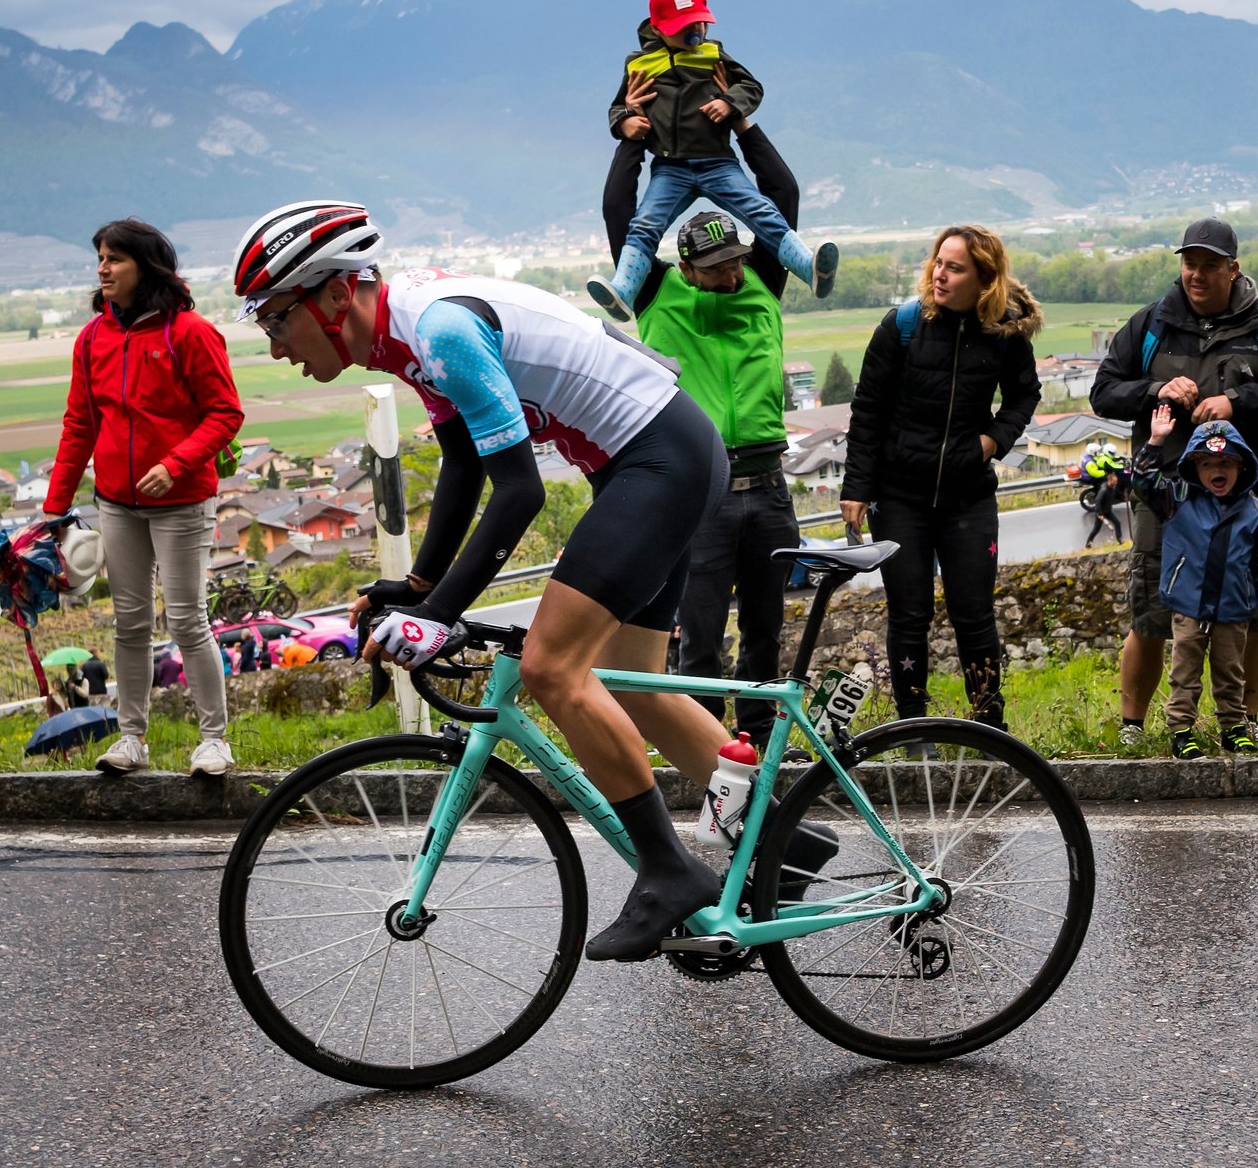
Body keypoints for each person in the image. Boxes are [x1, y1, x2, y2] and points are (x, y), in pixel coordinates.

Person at [235, 199, 835, 962]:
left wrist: (441, 615)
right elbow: (461, 461)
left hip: (658, 460)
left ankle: (667, 871)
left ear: (329, 295)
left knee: (556, 667)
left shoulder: (437, 330)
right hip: (659, 455)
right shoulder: (401, 333)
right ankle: (784, 836)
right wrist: (421, 587)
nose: (276, 345)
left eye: (274, 319)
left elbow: (519, 490)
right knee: (637, 686)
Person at [1089, 218, 1258, 749]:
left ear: (1233, 269)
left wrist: (1237, 403)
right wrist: (1155, 390)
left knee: (1251, 612)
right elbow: (1104, 393)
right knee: (1150, 609)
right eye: (1190, 263)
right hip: (1165, 493)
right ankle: (1133, 727)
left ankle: (1244, 721)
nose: (1197, 274)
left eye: (1210, 265)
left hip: (1245, 494)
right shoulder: (1150, 325)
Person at [48, 219, 243, 779]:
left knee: (187, 621)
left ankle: (214, 742)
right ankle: (131, 738)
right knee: (129, 625)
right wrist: (54, 506)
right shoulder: (93, 339)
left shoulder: (190, 332)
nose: (103, 269)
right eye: (100, 259)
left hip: (182, 500)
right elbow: (79, 424)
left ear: (147, 266)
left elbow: (225, 414)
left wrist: (174, 463)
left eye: (115, 259)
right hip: (116, 503)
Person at [841, 225, 1042, 734]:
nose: (939, 274)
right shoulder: (902, 327)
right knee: (909, 616)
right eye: (938, 263)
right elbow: (867, 410)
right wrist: (856, 487)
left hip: (968, 497)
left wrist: (992, 441)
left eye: (954, 268)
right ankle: (913, 732)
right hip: (899, 496)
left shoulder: (1005, 334)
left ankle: (989, 729)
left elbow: (1024, 395)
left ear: (985, 279)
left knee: (974, 615)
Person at [625, 198, 804, 739]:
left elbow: (781, 203)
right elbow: (626, 226)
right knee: (700, 636)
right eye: (717, 266)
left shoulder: (761, 283)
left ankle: (761, 744)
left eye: (737, 260)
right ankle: (708, 751)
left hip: (770, 488)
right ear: (684, 269)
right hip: (705, 494)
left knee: (765, 632)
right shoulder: (657, 293)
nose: (732, 274)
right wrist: (637, 143)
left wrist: (737, 130)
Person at [588, 0, 836, 319]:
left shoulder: (712, 54)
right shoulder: (639, 65)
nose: (695, 32)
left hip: (718, 162)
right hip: (669, 166)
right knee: (645, 225)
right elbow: (619, 107)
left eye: (699, 23)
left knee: (761, 211)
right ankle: (624, 290)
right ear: (658, 29)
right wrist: (625, 122)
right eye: (683, 28)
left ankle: (808, 267)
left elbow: (751, 87)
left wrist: (731, 104)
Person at [1129, 410, 1258, 757]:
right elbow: (1142, 483)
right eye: (1208, 464)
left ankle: (1233, 726)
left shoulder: (1255, 512)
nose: (1218, 471)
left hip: (1232, 607)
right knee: (1185, 672)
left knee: (1231, 672)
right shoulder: (1177, 500)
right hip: (1188, 605)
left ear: (1242, 468)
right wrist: (1155, 441)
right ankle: (1182, 730)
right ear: (1194, 469)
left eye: (1227, 464)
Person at [1084, 455, 1126, 547]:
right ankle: (1088, 544)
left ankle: (1120, 539)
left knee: (1117, 523)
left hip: (1108, 511)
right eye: (1114, 481)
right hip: (1101, 512)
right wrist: (1099, 513)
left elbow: (1117, 493)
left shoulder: (1111, 487)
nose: (1116, 483)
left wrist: (1124, 497)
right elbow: (1098, 501)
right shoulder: (1104, 490)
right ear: (1110, 480)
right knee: (1096, 529)